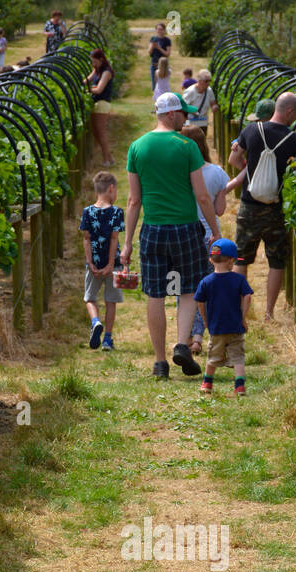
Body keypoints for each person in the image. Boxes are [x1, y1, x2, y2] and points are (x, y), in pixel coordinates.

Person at [123, 91, 221, 381]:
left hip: (152, 229)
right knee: (188, 288)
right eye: (183, 113)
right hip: (185, 228)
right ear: (170, 114)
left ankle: (159, 362)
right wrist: (215, 231)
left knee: (156, 294)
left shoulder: (137, 147)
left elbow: (133, 200)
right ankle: (181, 344)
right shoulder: (187, 146)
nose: (187, 118)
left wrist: (127, 242)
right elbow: (202, 196)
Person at [229, 91, 296, 320]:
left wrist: (249, 168)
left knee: (241, 258)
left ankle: (239, 309)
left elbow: (233, 158)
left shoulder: (250, 130)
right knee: (277, 260)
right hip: (275, 209)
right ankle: (269, 312)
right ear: (289, 111)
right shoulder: (295, 140)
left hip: (248, 205)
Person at [180, 123, 228, 357]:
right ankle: (200, 337)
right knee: (206, 286)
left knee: (185, 287)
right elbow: (219, 210)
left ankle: (186, 336)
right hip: (210, 236)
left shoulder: (177, 171)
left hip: (184, 234)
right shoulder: (217, 172)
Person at [195, 239, 253, 397]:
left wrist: (206, 320)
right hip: (235, 326)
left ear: (210, 260)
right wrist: (243, 317)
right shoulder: (239, 279)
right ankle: (239, 387)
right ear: (231, 260)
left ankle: (207, 383)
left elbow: (199, 301)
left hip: (216, 327)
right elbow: (247, 296)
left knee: (213, 356)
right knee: (238, 357)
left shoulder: (206, 282)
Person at [80, 170, 124, 352]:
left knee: (90, 298)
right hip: (112, 263)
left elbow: (86, 238)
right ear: (111, 189)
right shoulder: (116, 212)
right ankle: (107, 339)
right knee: (110, 301)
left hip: (94, 263)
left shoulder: (87, 212)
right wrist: (111, 264)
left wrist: (90, 263)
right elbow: (114, 238)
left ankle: (95, 321)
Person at [225, 98, 275, 196]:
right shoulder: (284, 133)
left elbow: (233, 160)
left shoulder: (251, 130)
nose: (258, 123)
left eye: (259, 120)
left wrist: (248, 169)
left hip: (252, 187)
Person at [84, 48, 115, 166]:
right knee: (96, 132)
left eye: (94, 61)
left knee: (101, 132)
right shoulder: (97, 69)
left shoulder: (106, 72)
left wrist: (86, 90)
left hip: (102, 103)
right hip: (95, 103)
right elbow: (87, 80)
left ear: (101, 59)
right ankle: (109, 157)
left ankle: (107, 159)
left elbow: (99, 89)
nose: (93, 64)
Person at [148, 21, 171, 90]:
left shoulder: (167, 40)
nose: (159, 31)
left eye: (161, 29)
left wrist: (159, 48)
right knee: (154, 86)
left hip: (163, 65)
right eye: (158, 29)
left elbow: (168, 54)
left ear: (164, 30)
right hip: (154, 64)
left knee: (163, 86)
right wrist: (152, 46)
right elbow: (149, 52)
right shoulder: (153, 39)